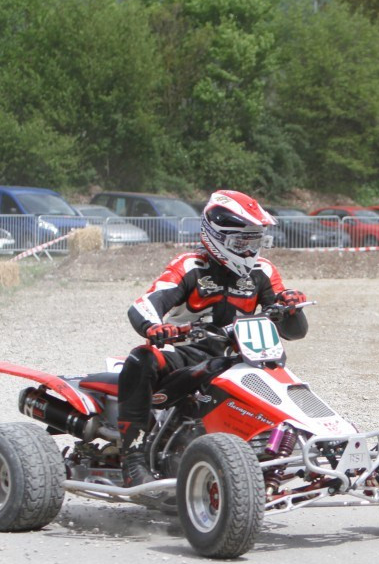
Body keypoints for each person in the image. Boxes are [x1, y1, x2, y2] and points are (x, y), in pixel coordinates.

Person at [117, 190, 309, 486]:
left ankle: (296, 440)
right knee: (140, 358)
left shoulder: (262, 271)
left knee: (278, 372)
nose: (248, 250)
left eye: (254, 241)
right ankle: (132, 457)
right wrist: (154, 327)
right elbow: (144, 304)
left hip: (238, 355)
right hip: (184, 353)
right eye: (241, 242)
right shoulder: (190, 266)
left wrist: (290, 307)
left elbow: (295, 331)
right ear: (216, 236)